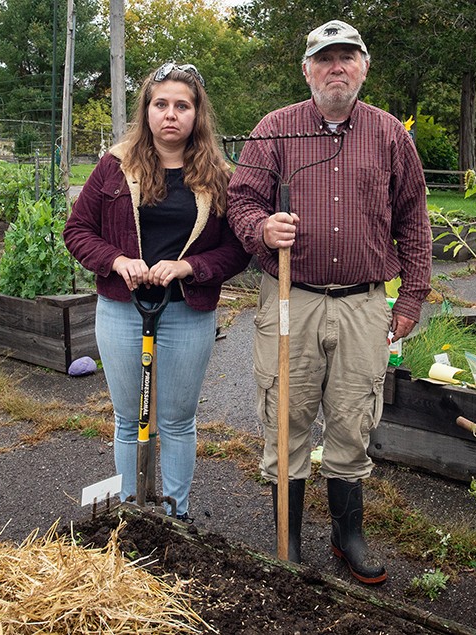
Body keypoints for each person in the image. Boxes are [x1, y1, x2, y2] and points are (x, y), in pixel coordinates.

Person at [226, 20, 431, 583]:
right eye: (324, 58)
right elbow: (240, 199)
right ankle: (286, 539)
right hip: (292, 297)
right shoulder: (276, 130)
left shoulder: (390, 135)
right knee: (285, 414)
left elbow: (414, 220)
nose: (335, 67)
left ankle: (347, 535)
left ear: (364, 66)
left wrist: (410, 298)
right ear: (307, 69)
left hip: (365, 303)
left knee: (352, 418)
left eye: (347, 57)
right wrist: (262, 228)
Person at [64, 62, 250, 522]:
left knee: (177, 421)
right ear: (146, 110)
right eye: (160, 104)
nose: (171, 114)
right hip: (123, 309)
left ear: (197, 114)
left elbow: (237, 250)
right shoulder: (114, 166)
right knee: (129, 419)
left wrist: (190, 266)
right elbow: (78, 231)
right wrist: (116, 260)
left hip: (187, 311)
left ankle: (176, 518)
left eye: (182, 106)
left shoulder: (219, 176)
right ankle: (132, 516)